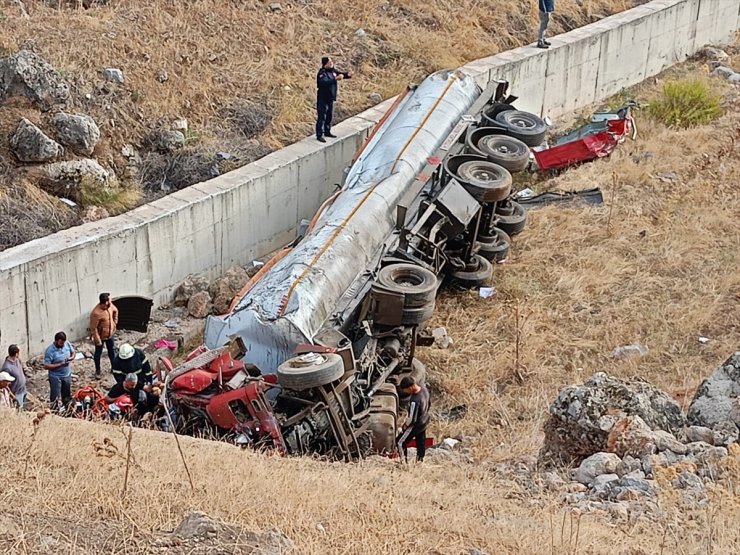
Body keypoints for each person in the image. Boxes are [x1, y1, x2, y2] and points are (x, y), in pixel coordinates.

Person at [316, 56, 352, 143]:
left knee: (329, 116)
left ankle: (327, 131)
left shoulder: (332, 71)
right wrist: (335, 79)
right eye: (329, 62)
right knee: (322, 116)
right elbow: (324, 82)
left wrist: (348, 75)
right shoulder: (322, 73)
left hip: (330, 98)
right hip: (323, 98)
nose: (331, 63)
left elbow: (340, 74)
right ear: (325, 64)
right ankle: (319, 134)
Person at [396, 376, 431, 462]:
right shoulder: (424, 390)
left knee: (400, 442)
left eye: (405, 390)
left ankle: (404, 463)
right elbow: (429, 404)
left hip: (416, 424)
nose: (405, 392)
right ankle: (420, 461)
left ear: (411, 387)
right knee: (421, 442)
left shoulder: (414, 400)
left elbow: (411, 419)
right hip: (425, 420)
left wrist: (404, 426)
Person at [44, 331, 76, 410]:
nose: (62, 345)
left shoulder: (67, 344)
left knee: (67, 394)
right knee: (55, 395)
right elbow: (46, 366)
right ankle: (54, 410)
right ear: (56, 341)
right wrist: (60, 365)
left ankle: (67, 408)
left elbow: (73, 352)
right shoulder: (49, 351)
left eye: (63, 343)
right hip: (55, 377)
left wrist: (71, 357)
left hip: (66, 374)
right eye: (61, 343)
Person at [90, 292, 118, 376]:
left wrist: (114, 322)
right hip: (101, 337)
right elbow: (93, 328)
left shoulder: (110, 306)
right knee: (98, 353)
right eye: (108, 301)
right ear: (104, 302)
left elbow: (115, 310)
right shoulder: (96, 313)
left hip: (110, 334)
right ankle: (98, 370)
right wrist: (97, 340)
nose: (110, 302)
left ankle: (114, 368)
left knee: (112, 352)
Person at [1, 345, 27, 409]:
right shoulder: (7, 367)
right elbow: (5, 383)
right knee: (18, 410)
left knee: (23, 407)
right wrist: (12, 396)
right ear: (16, 354)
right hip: (16, 393)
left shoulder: (18, 360)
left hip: (23, 389)